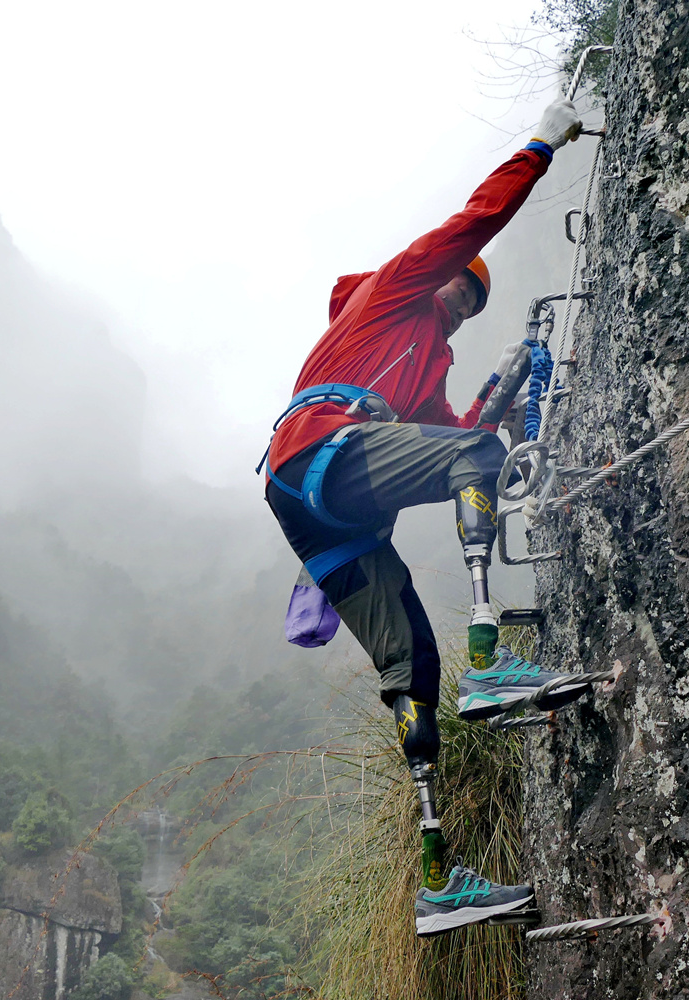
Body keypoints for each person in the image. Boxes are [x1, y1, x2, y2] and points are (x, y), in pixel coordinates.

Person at [261, 98, 594, 937]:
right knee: (471, 465)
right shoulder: (389, 293)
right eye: (463, 286)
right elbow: (475, 219)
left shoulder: (425, 365)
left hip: (319, 508)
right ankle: (492, 662)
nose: (463, 302)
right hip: (324, 448)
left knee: (412, 665)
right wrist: (540, 146)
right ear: (441, 274)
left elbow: (458, 438)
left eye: (474, 304)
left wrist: (512, 399)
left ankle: (439, 882)